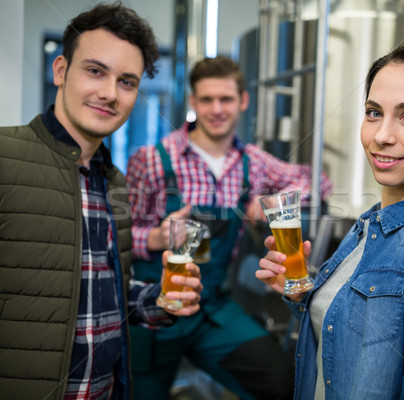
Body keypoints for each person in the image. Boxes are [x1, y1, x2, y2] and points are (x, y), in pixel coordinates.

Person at [0, 3, 203, 400]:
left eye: (127, 81)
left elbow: (102, 290)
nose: (109, 93)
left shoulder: (114, 181)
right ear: (61, 70)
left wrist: (163, 298)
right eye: (95, 70)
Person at [256, 40, 404, 399]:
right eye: (374, 112)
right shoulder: (369, 226)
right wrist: (303, 292)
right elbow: (353, 339)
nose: (381, 136)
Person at [126, 55, 332, 399]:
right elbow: (116, 239)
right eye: (206, 99)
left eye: (226, 99)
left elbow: (319, 182)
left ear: (243, 101)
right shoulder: (151, 160)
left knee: (281, 382)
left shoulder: (254, 162)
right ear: (193, 102)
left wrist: (272, 202)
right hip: (157, 307)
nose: (216, 109)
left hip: (212, 309)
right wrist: (158, 237)